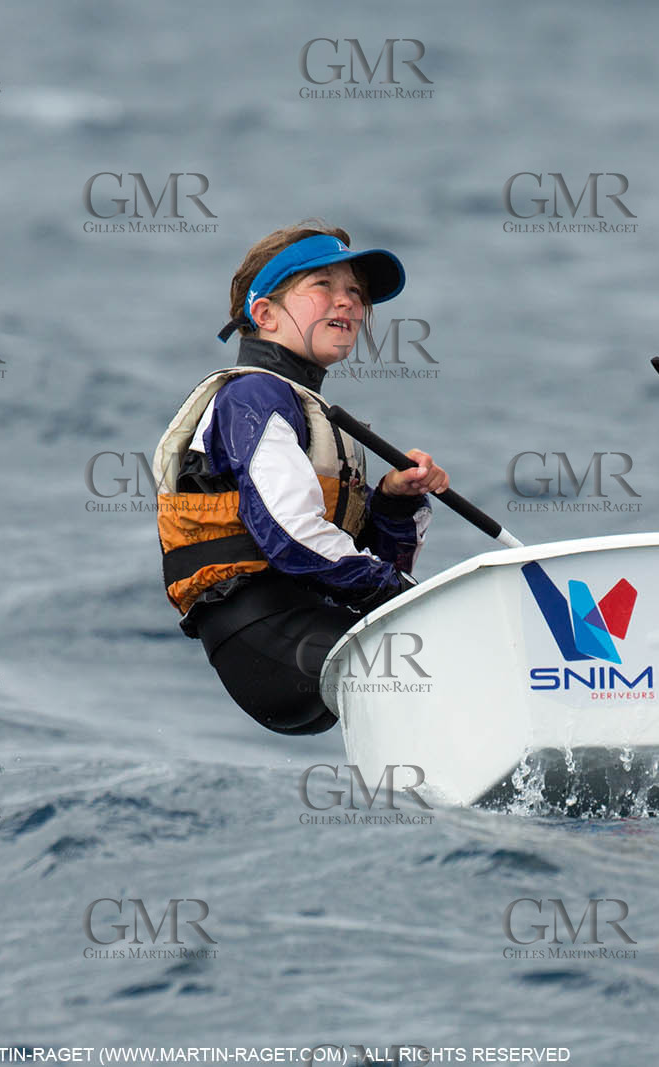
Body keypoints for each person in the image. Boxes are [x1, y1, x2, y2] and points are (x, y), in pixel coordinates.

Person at [153, 222, 448, 735]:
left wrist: (394, 504)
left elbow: (362, 560)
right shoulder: (253, 398)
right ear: (265, 314)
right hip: (266, 634)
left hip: (302, 630)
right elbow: (290, 532)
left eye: (355, 292)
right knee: (446, 655)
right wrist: (400, 596)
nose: (349, 304)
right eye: (323, 287)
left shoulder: (307, 411)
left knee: (439, 659)